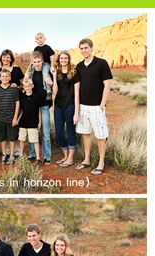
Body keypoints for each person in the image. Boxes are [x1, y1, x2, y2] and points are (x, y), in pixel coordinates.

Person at [75, 38, 113, 175]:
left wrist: (102, 105)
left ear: (91, 48)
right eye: (81, 48)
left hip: (97, 106)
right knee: (86, 133)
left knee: (101, 136)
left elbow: (107, 84)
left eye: (85, 48)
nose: (83, 51)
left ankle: (101, 162)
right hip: (83, 106)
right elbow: (77, 89)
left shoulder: (101, 63)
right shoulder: (79, 66)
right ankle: (86, 160)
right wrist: (78, 107)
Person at [52, 51, 80, 166]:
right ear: (59, 60)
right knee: (58, 132)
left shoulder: (74, 72)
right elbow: (55, 91)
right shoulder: (57, 73)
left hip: (70, 105)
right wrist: (54, 76)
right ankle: (65, 155)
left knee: (70, 131)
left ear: (68, 59)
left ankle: (71, 158)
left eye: (65, 58)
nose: (63, 60)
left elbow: (77, 93)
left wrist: (76, 113)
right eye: (62, 58)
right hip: (58, 105)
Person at [25, 51, 53, 164]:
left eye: (39, 62)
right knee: (32, 130)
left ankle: (47, 156)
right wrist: (25, 77)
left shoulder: (47, 72)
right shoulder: (31, 73)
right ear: (32, 62)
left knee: (45, 132)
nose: (37, 64)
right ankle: (32, 154)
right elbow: (26, 85)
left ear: (42, 61)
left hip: (45, 105)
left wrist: (50, 83)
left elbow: (55, 86)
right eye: (35, 62)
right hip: (33, 106)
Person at [0, 69, 20, 165]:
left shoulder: (14, 89)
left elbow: (17, 103)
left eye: (7, 76)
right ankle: (4, 155)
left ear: (10, 78)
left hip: (11, 118)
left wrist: (15, 117)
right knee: (2, 138)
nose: (5, 78)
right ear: (0, 78)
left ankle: (12, 155)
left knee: (12, 138)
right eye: (3, 76)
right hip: (0, 118)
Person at [17, 78, 42, 163]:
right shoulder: (22, 97)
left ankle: (38, 158)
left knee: (35, 140)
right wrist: (18, 120)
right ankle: (21, 155)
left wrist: (40, 122)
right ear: (23, 87)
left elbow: (38, 110)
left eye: (29, 86)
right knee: (22, 139)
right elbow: (22, 110)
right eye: (25, 86)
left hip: (33, 121)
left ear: (32, 86)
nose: (27, 88)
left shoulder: (36, 96)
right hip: (23, 122)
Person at [33, 32, 55, 99]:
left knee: (45, 75)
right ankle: (30, 88)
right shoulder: (36, 48)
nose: (39, 40)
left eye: (41, 38)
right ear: (35, 41)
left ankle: (48, 91)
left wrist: (52, 66)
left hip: (45, 64)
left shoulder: (47, 47)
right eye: (37, 39)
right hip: (37, 63)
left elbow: (52, 57)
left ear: (44, 39)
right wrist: (30, 67)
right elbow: (33, 58)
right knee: (30, 73)